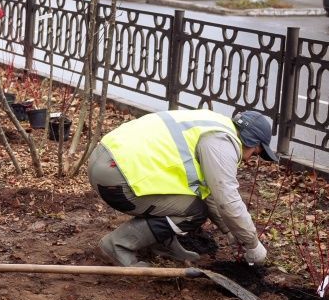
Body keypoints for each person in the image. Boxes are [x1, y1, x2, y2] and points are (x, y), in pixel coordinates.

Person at [88, 109, 277, 268]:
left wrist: (229, 230)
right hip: (117, 179)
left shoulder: (213, 124)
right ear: (251, 141)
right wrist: (253, 245)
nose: (250, 159)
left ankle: (159, 243)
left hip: (105, 160)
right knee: (194, 212)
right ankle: (117, 245)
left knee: (188, 201)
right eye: (256, 153)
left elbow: (210, 193)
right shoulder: (221, 143)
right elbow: (227, 200)